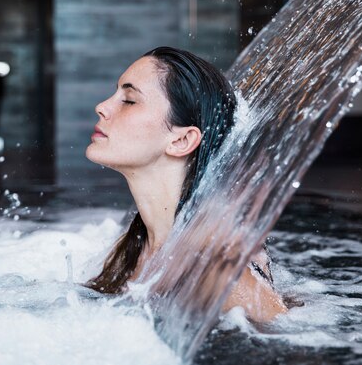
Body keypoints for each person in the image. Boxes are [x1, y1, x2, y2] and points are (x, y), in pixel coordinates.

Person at [85, 46, 287, 322]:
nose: (103, 107)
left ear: (181, 141)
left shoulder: (221, 275)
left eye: (129, 100)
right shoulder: (135, 247)